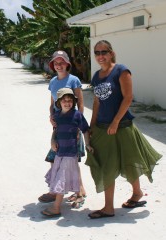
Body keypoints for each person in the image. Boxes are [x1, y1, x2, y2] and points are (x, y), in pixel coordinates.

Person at [85, 40, 162, 219]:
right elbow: (96, 103)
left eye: (104, 52)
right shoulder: (96, 76)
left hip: (123, 126)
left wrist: (115, 122)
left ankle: (130, 197)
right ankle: (114, 205)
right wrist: (92, 125)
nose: (100, 56)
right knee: (106, 165)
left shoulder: (121, 71)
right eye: (97, 53)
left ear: (111, 53)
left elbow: (128, 98)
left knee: (130, 161)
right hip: (103, 128)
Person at [38, 50, 87, 208]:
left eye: (62, 62)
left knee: (72, 159)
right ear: (53, 65)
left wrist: (78, 126)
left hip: (72, 126)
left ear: (67, 64)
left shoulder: (74, 80)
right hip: (59, 126)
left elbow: (80, 104)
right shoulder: (52, 81)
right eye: (56, 63)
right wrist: (51, 116)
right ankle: (58, 189)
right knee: (55, 157)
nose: (59, 65)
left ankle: (78, 190)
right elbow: (52, 103)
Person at [41, 88, 93, 218]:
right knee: (62, 176)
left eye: (70, 101)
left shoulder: (77, 115)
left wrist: (87, 144)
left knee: (61, 178)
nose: (68, 103)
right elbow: (56, 130)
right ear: (59, 102)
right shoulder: (57, 115)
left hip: (70, 153)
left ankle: (56, 207)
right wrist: (52, 140)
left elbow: (86, 130)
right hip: (59, 153)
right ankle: (78, 195)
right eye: (64, 100)